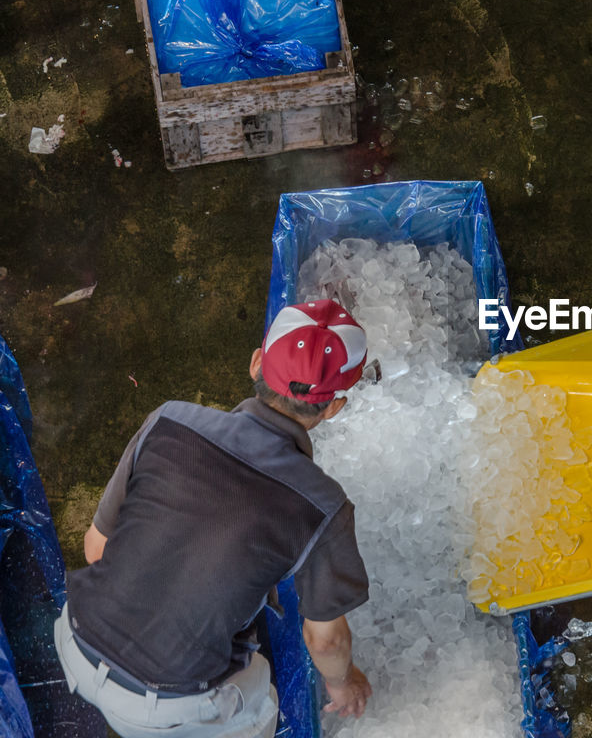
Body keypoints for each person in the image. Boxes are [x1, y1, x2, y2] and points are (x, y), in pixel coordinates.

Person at [54, 300, 375, 736]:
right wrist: (344, 683)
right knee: (261, 697)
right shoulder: (323, 506)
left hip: (73, 639)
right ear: (334, 407)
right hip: (164, 709)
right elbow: (327, 640)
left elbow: (98, 549)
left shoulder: (167, 420)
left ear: (256, 362)